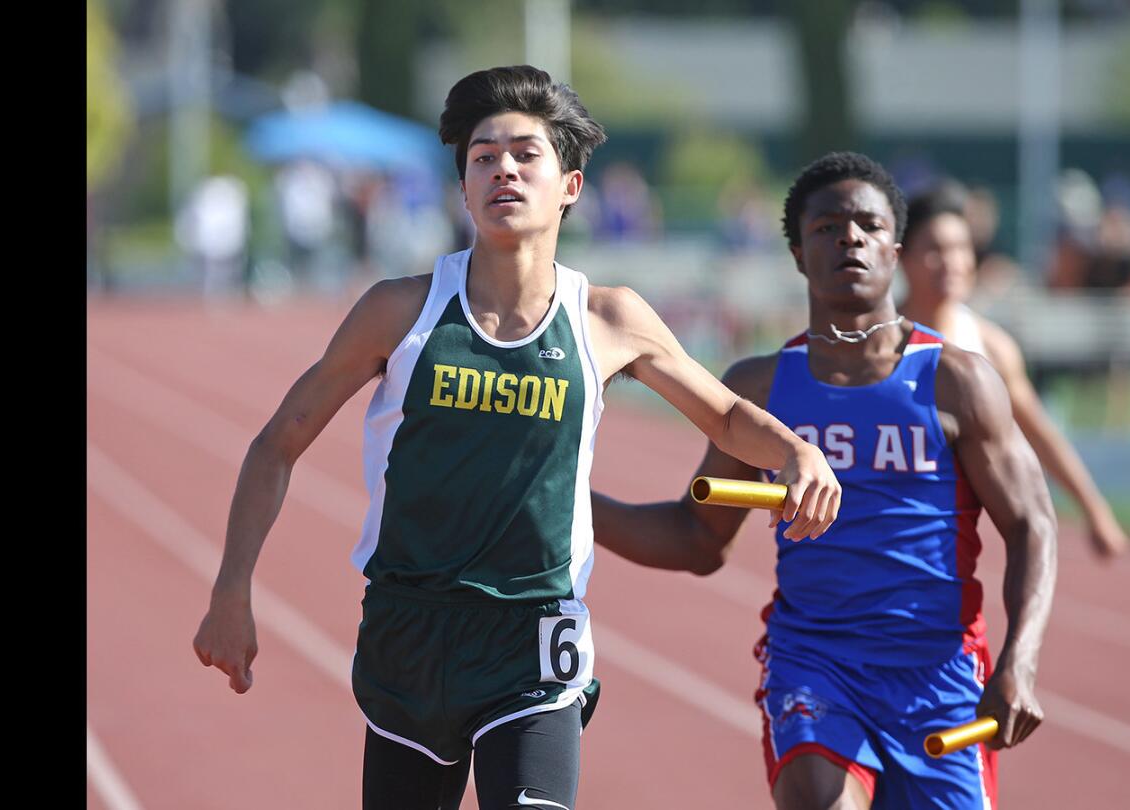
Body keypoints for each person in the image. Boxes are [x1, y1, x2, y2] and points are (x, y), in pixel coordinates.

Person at [190, 65, 842, 810]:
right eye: (483, 156)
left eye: (526, 153)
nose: (503, 168)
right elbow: (279, 442)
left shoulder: (609, 320)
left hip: (535, 642)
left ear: (570, 184)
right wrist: (232, 589)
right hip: (412, 630)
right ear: (462, 188)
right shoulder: (400, 312)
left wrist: (799, 452)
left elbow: (725, 416)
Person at [591, 152, 1058, 810]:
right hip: (815, 663)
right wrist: (572, 506)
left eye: (868, 226)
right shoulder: (758, 389)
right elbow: (698, 538)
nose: (850, 239)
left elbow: (1032, 522)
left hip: (939, 677)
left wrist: (1021, 658)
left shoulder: (958, 381)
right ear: (796, 252)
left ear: (896, 249)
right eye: (828, 227)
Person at [897, 180, 1129, 559]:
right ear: (901, 256)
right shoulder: (872, 341)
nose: (952, 262)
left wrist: (1094, 509)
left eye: (960, 248)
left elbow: (1039, 432)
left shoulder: (991, 346)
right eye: (935, 249)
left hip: (948, 539)